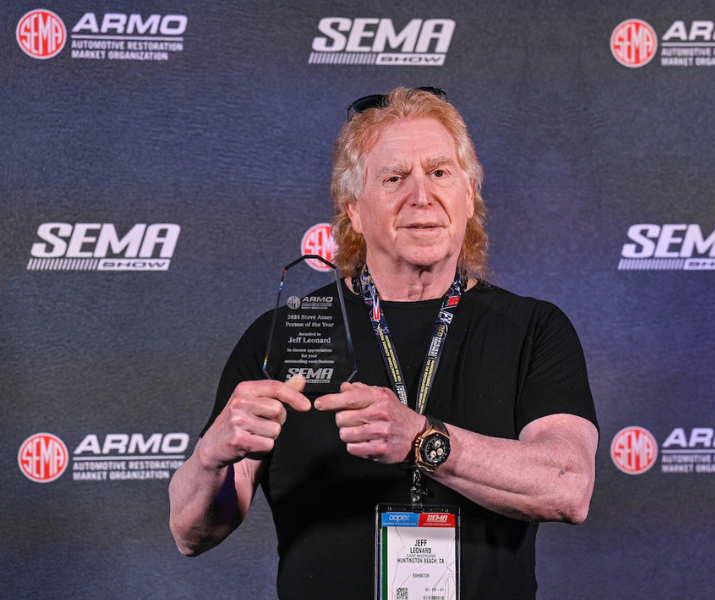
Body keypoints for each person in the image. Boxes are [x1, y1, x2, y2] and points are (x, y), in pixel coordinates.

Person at [169, 87, 599, 599]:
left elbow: (568, 486)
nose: (421, 196)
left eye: (440, 173)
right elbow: (191, 532)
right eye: (394, 178)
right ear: (353, 208)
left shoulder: (533, 329)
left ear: (469, 194)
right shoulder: (283, 336)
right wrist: (210, 458)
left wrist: (421, 439)